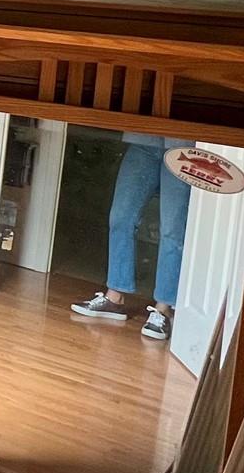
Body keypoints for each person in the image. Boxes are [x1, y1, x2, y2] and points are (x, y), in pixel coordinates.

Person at [71, 133, 191, 341]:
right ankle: (114, 297)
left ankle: (163, 309)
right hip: (144, 139)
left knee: (173, 229)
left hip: (184, 146)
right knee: (121, 217)